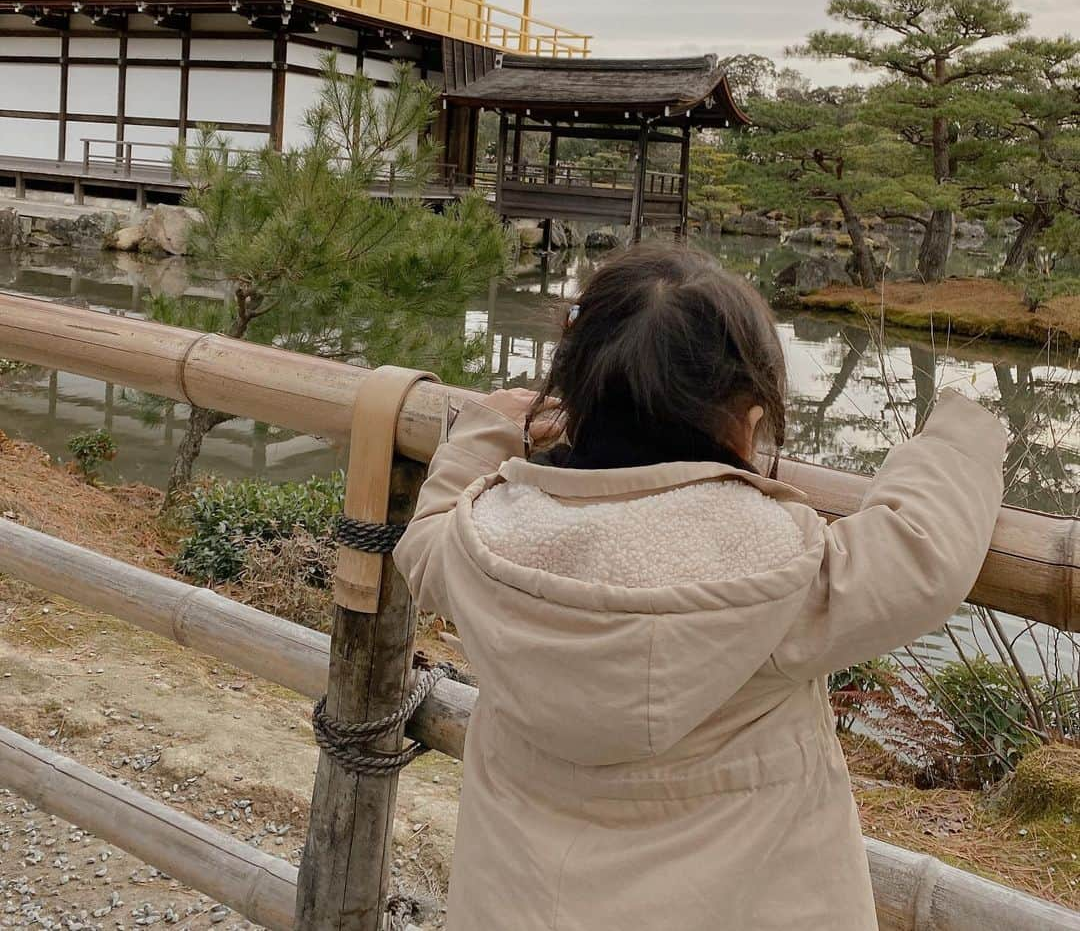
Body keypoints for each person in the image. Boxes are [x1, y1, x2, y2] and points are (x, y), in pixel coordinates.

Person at [394, 245, 1006, 930]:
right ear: (748, 414)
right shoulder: (779, 571)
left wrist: (488, 425)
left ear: (571, 396)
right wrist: (959, 439)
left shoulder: (487, 545)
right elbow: (923, 549)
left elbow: (422, 541)